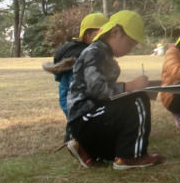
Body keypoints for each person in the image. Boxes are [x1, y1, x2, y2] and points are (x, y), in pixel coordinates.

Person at [66, 10, 163, 170]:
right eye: (130, 43)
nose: (130, 49)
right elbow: (98, 90)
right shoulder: (95, 53)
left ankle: (86, 149)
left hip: (86, 120)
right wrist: (131, 86)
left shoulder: (101, 53)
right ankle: (131, 157)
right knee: (138, 100)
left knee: (117, 147)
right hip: (85, 118)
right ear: (115, 32)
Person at [44, 12, 107, 141]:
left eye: (105, 34)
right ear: (86, 34)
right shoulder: (84, 55)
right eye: (98, 34)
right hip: (75, 102)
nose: (102, 38)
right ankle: (75, 135)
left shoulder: (84, 51)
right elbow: (72, 93)